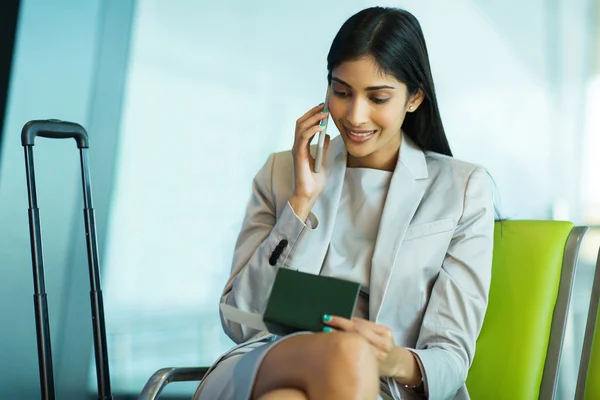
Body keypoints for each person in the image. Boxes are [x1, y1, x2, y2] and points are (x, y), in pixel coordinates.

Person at [194, 6, 494, 400]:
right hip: (267, 362)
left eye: (378, 97)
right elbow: (241, 318)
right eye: (341, 92)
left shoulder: (462, 188)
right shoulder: (282, 173)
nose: (354, 115)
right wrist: (300, 203)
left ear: (414, 98)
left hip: (383, 384)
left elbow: (450, 356)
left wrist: (390, 359)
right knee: (330, 362)